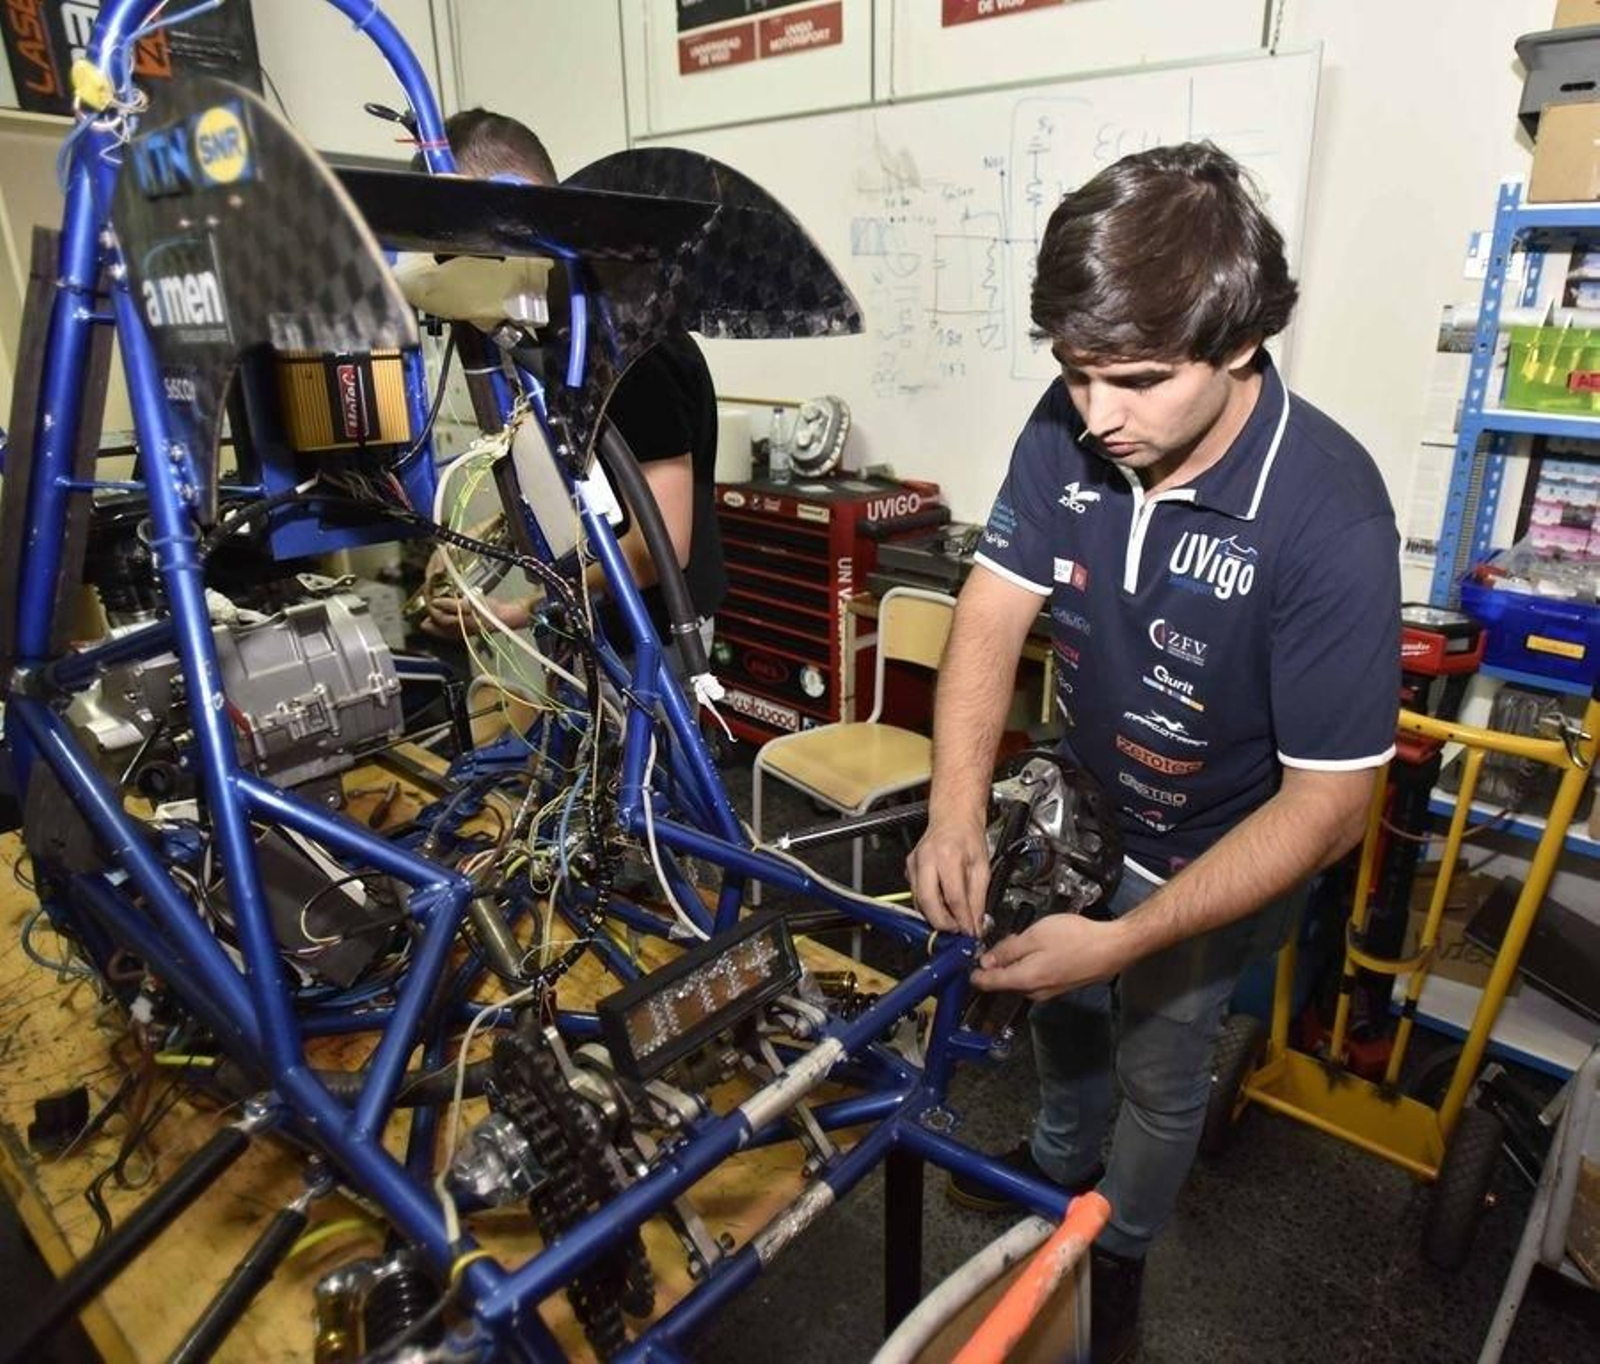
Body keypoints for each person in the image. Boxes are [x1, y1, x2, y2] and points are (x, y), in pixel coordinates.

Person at [906, 142, 1400, 1362]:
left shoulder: (1329, 511)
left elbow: (1332, 804)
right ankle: (1058, 1162)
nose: (1096, 415)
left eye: (1130, 379)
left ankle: (1115, 1249)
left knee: (1163, 1067)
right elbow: (988, 609)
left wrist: (1129, 936)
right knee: (1055, 1009)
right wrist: (955, 810)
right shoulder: (1073, 420)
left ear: (1237, 344)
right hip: (1085, 803)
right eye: (1072, 375)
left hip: (1210, 848)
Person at [423, 109, 726, 674]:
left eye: (452, 249)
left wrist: (520, 608)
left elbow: (658, 549)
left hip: (655, 638)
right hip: (592, 618)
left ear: (515, 212)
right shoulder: (553, 335)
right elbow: (582, 485)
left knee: (644, 764)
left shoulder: (632, 346)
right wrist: (475, 556)